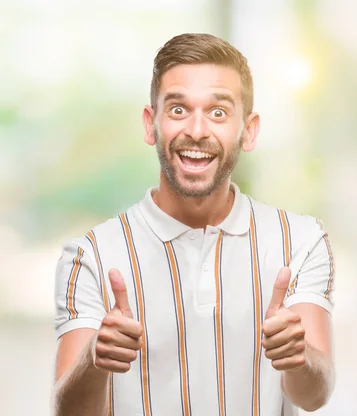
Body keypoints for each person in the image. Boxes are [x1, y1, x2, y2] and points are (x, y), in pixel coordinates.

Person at [51, 33, 336, 416]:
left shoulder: (301, 241)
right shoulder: (91, 255)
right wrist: (94, 358)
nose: (197, 130)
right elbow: (67, 412)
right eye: (178, 109)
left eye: (218, 112)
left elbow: (314, 396)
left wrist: (298, 358)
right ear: (151, 125)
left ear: (248, 130)